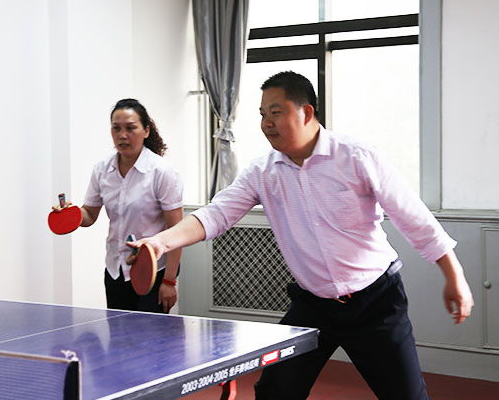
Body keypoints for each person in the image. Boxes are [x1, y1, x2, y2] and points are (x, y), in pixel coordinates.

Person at [128, 72, 474, 399]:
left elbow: (413, 217)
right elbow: (215, 214)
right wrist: (159, 242)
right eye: (262, 114)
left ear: (306, 112)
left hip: (375, 302)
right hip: (313, 306)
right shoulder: (261, 172)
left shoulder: (357, 157)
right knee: (274, 393)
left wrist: (454, 274)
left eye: (275, 112)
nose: (266, 123)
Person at [55, 98, 183, 313]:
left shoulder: (162, 172)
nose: (122, 135)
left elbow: (176, 232)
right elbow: (89, 215)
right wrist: (71, 214)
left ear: (146, 131)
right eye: (116, 128)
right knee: (117, 333)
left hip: (152, 272)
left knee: (151, 334)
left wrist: (169, 281)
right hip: (115, 270)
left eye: (130, 128)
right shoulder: (102, 169)